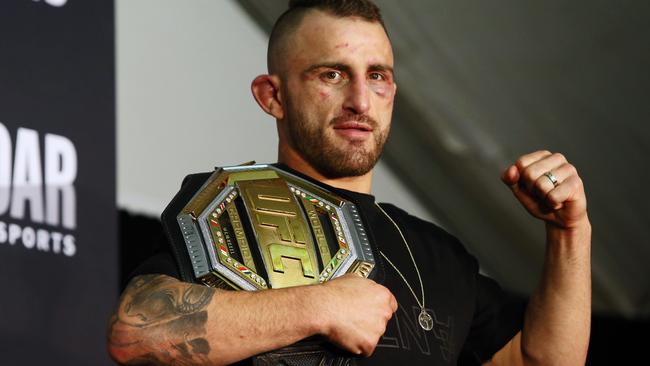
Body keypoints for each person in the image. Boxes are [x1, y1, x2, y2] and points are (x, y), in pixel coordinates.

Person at [107, 1, 591, 365]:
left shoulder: (440, 254)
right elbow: (134, 333)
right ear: (272, 95)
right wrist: (317, 306)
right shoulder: (230, 206)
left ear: (393, 93)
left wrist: (570, 233)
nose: (360, 99)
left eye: (376, 76)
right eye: (333, 74)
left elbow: (539, 359)